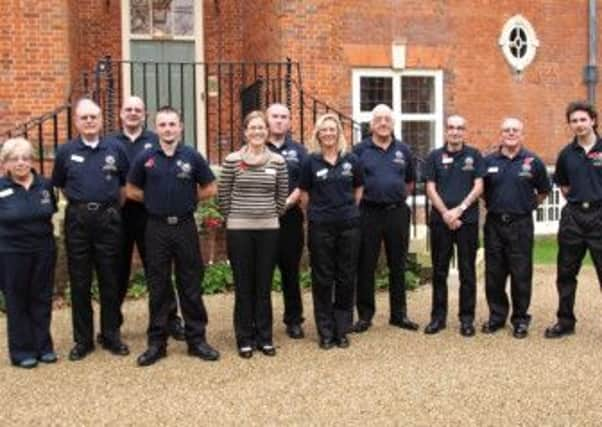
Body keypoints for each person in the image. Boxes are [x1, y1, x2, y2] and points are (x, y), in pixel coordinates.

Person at [127, 106, 220, 366]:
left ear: (181, 127)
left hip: (184, 226)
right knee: (158, 286)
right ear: (156, 128)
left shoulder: (192, 156)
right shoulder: (145, 157)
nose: (168, 129)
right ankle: (157, 343)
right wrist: (153, 201)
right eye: (163, 124)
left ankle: (196, 340)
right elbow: (132, 190)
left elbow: (210, 187)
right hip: (155, 228)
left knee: (190, 284)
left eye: (172, 124)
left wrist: (189, 199)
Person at [52, 98, 130, 361]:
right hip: (78, 222)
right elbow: (61, 185)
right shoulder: (65, 151)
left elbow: (123, 188)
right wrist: (84, 204)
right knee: (80, 282)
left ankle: (111, 336)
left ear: (100, 120)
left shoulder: (115, 148)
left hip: (108, 220)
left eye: (93, 117)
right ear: (76, 121)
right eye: (84, 117)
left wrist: (106, 207)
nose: (89, 121)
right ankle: (83, 340)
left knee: (110, 279)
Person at [112, 96, 185, 342]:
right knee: (117, 272)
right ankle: (112, 324)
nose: (133, 113)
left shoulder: (156, 141)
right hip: (119, 216)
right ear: (120, 113)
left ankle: (171, 319)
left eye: (138, 110)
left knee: (160, 271)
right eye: (128, 109)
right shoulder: (109, 142)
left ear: (145, 115)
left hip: (151, 216)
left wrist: (153, 199)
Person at [218, 110, 288, 359]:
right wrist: (236, 217)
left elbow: (281, 197)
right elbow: (223, 195)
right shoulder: (232, 160)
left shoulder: (278, 161)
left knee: (264, 285)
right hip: (239, 231)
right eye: (253, 128)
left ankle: (265, 337)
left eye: (261, 128)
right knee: (244, 285)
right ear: (245, 132)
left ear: (267, 132)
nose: (257, 132)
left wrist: (269, 214)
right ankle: (245, 338)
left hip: (268, 230)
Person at [295, 114, 363, 349]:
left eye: (332, 130)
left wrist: (347, 210)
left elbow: (358, 189)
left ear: (339, 133)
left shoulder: (351, 160)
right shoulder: (309, 162)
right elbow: (304, 195)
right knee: (322, 278)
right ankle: (325, 331)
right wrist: (318, 213)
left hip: (348, 226)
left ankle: (341, 330)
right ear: (318, 134)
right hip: (321, 226)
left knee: (345, 278)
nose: (328, 134)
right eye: (324, 130)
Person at [482, 117, 551, 338]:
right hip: (494, 223)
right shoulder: (488, 161)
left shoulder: (534, 161)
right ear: (500, 134)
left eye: (515, 130)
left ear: (522, 134)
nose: (511, 133)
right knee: (494, 273)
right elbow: (481, 190)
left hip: (521, 224)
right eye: (506, 130)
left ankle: (521, 319)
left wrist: (527, 205)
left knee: (521, 273)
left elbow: (543, 191)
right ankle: (496, 317)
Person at [352, 104, 419, 333]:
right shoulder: (359, 150)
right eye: (378, 119)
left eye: (387, 119)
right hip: (368, 213)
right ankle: (364, 316)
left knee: (398, 264)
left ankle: (399, 314)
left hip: (396, 213)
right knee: (365, 265)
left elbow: (409, 183)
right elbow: (353, 183)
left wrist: (394, 196)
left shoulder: (404, 150)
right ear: (371, 124)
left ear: (392, 123)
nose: (383, 123)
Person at [423, 115, 485, 337]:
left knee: (467, 272)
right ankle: (438, 318)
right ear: (445, 131)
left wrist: (459, 210)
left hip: (466, 221)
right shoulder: (434, 156)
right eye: (451, 127)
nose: (455, 131)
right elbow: (430, 188)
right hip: (441, 222)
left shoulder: (475, 156)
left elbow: (479, 186)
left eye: (460, 128)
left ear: (465, 131)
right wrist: (446, 213)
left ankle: (466, 319)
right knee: (439, 272)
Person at [545, 101, 602, 338]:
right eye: (574, 121)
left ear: (593, 121)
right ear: (570, 124)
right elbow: (564, 186)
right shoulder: (566, 154)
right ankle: (565, 321)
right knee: (566, 273)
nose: (579, 125)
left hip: (600, 216)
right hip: (574, 217)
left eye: (583, 120)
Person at [0, 138, 57, 368]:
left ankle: (44, 347)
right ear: (5, 164)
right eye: (15, 159)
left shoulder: (45, 185)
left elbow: (51, 211)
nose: (21, 163)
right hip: (11, 252)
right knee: (16, 300)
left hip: (43, 250)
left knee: (41, 298)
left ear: (32, 160)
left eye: (25, 157)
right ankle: (22, 351)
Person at [266, 103, 308, 339]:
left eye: (284, 117)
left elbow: (304, 184)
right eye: (275, 116)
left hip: (291, 218)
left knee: (290, 271)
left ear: (290, 122)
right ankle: (262, 321)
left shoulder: (299, 151)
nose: (279, 121)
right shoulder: (256, 147)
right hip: (262, 219)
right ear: (267, 119)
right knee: (262, 273)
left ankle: (294, 319)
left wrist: (289, 202)